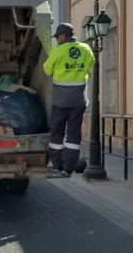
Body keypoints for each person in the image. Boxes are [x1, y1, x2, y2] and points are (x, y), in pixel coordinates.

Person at [43, 22, 95, 178]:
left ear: (63, 36)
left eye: (58, 37)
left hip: (61, 101)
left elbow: (47, 70)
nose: (57, 40)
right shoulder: (86, 49)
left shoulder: (58, 51)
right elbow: (90, 67)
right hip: (79, 101)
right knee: (73, 135)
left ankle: (56, 166)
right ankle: (68, 169)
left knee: (57, 134)